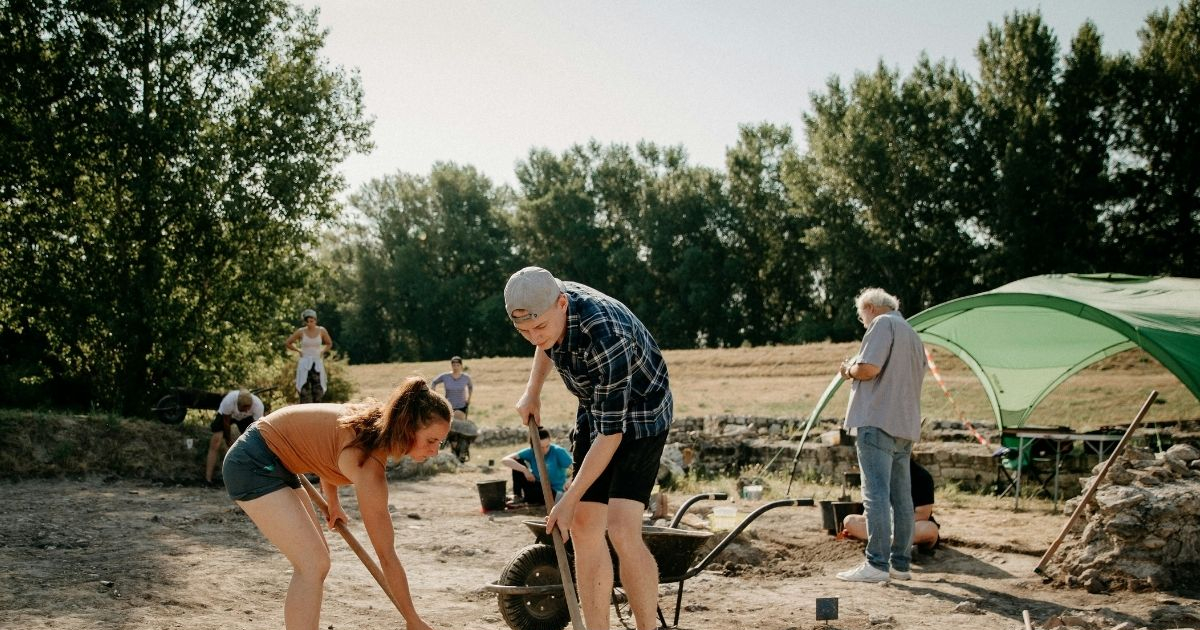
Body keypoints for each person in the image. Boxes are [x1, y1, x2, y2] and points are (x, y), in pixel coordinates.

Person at [505, 266, 672, 630]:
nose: (534, 337)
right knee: (583, 526)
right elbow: (545, 344)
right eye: (524, 331)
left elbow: (612, 436)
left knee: (622, 528)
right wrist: (533, 390)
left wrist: (567, 498)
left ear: (562, 304)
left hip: (643, 411)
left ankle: (647, 626)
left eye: (540, 327)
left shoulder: (606, 335)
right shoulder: (544, 300)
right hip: (598, 406)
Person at [221, 377, 449, 630]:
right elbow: (386, 556)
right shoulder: (367, 465)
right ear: (407, 427)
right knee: (312, 563)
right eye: (431, 441)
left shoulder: (372, 425)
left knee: (317, 561)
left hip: (278, 460)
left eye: (440, 443)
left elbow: (326, 449)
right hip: (253, 462)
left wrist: (333, 501)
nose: (435, 451)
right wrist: (412, 619)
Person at [835, 287, 926, 583]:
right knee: (902, 498)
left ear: (871, 307)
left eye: (862, 316)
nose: (863, 322)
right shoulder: (912, 334)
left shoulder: (882, 324)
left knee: (874, 495)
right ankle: (901, 563)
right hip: (905, 425)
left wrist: (848, 369)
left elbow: (869, 368)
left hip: (878, 420)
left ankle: (876, 564)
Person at [841, 459, 940, 552]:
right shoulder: (878, 475)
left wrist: (893, 527)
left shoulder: (921, 476)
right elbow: (870, 510)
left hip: (908, 527)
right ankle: (888, 543)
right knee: (850, 521)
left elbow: (922, 515)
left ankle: (885, 543)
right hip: (884, 527)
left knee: (930, 529)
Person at [205, 389, 265, 484]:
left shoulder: (258, 406)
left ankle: (250, 477)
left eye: (248, 407)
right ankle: (208, 479)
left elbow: (255, 429)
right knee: (216, 440)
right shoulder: (229, 401)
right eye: (243, 407)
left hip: (247, 419)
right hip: (228, 417)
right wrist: (228, 439)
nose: (245, 410)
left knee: (253, 446)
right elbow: (226, 422)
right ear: (237, 404)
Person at [501, 427, 573, 505]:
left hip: (553, 492)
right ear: (534, 446)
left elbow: (577, 467)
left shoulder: (558, 451)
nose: (545, 450)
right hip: (537, 487)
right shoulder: (531, 452)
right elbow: (505, 460)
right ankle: (517, 496)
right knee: (517, 462)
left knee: (548, 494)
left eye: (547, 446)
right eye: (541, 447)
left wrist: (570, 479)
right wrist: (525, 470)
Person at [285, 308, 333, 403]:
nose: (310, 323)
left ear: (315, 320)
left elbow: (329, 343)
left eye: (312, 321)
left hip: (317, 363)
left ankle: (317, 412)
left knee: (318, 391)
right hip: (304, 363)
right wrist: (298, 350)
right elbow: (288, 343)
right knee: (304, 390)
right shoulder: (301, 331)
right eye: (307, 321)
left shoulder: (321, 330)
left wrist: (322, 351)